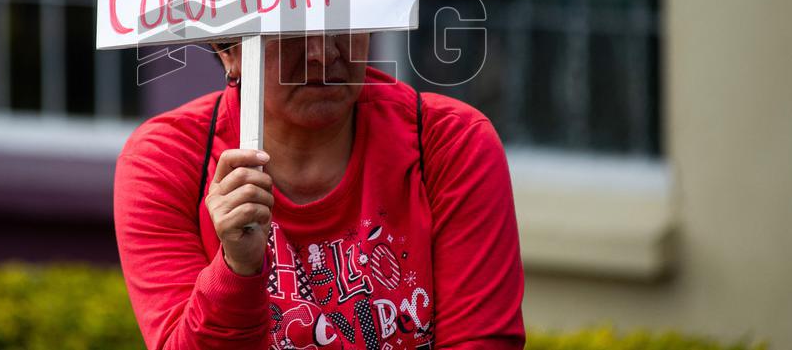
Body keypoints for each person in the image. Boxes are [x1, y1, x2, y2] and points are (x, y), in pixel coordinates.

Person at [113, 33, 525, 349]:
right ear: (230, 51)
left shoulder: (450, 145)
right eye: (290, 29)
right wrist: (237, 270)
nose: (322, 53)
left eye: (343, 16)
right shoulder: (166, 162)